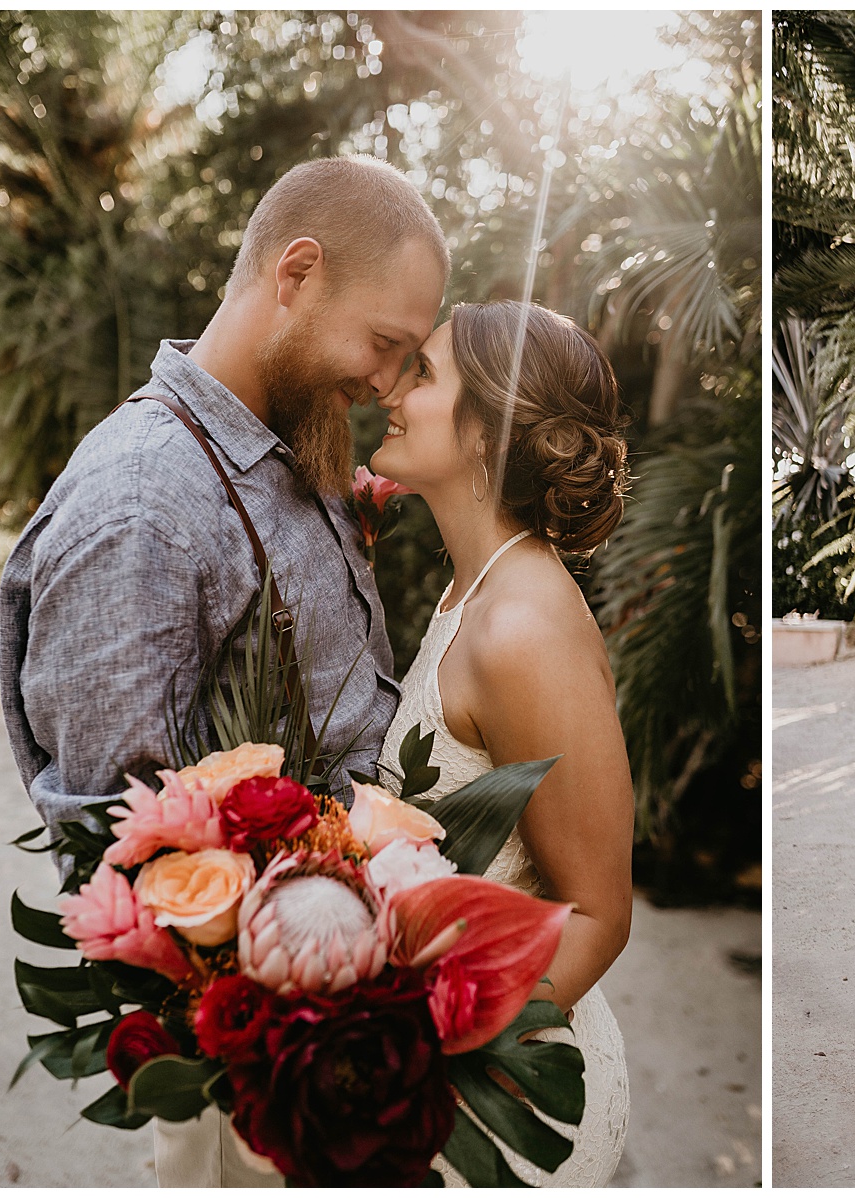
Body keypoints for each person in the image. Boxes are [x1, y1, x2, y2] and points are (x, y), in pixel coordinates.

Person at [0, 155, 449, 1186]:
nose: (386, 381)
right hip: (259, 1096)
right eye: (384, 343)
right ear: (295, 275)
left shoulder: (296, 442)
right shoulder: (144, 508)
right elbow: (123, 842)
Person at [370, 300, 635, 1186]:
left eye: (424, 374)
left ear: (487, 432)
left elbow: (599, 913)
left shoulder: (521, 627)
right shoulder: (472, 593)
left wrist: (440, 1068)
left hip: (500, 1100)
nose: (391, 392)